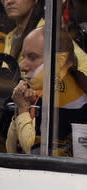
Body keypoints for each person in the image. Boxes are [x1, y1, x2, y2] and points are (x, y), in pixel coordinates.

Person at [5, 27, 87, 155]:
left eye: (32, 57)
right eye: (23, 57)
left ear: (60, 61)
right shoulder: (38, 98)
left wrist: (23, 111)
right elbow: (12, 151)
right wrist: (20, 111)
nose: (22, 66)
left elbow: (40, 154)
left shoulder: (76, 104)